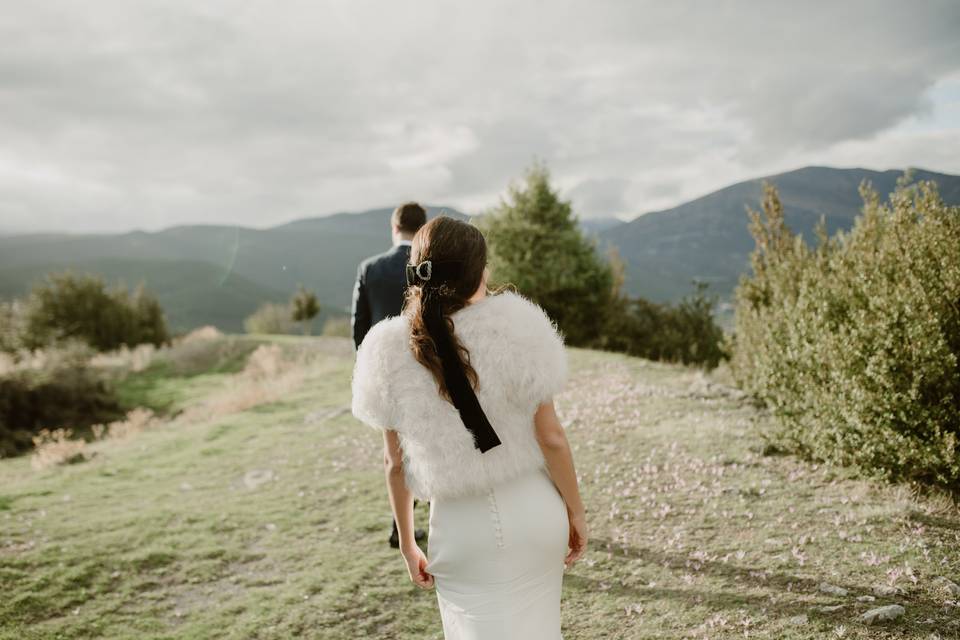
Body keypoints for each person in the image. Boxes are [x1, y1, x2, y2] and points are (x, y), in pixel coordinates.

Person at [351, 215, 588, 638]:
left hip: (461, 531)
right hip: (534, 514)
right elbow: (552, 438)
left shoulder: (385, 348)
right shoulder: (520, 323)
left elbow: (395, 463)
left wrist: (408, 542)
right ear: (480, 271)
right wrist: (575, 510)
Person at [351, 201, 428, 548]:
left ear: (394, 228)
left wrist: (368, 370)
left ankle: (401, 529)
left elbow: (359, 328)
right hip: (428, 370)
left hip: (386, 374)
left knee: (394, 455)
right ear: (423, 229)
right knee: (433, 444)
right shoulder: (430, 266)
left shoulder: (370, 269)